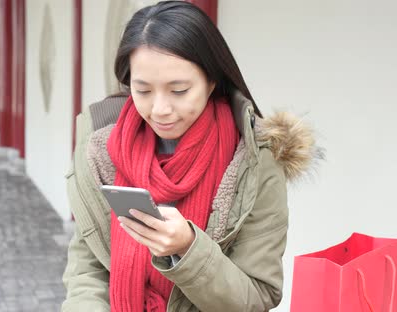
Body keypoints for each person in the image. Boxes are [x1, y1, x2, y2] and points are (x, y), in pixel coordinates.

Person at [62, 1, 320, 311]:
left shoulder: (255, 162)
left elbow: (258, 296)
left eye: (179, 90)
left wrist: (188, 248)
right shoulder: (102, 151)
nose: (160, 109)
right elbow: (88, 268)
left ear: (212, 80)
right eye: (143, 90)